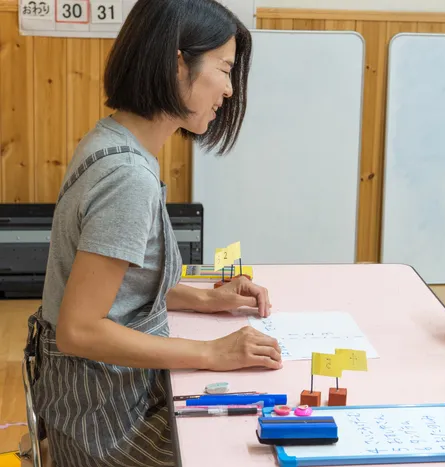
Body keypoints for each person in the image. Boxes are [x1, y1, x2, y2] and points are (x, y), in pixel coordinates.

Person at [23, 1, 282, 465]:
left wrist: (206, 299)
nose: (227, 89)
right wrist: (211, 352)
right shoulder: (128, 177)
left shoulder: (111, 140)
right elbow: (79, 330)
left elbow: (119, 287)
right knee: (247, 444)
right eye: (224, 69)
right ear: (177, 63)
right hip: (104, 423)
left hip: (100, 401)